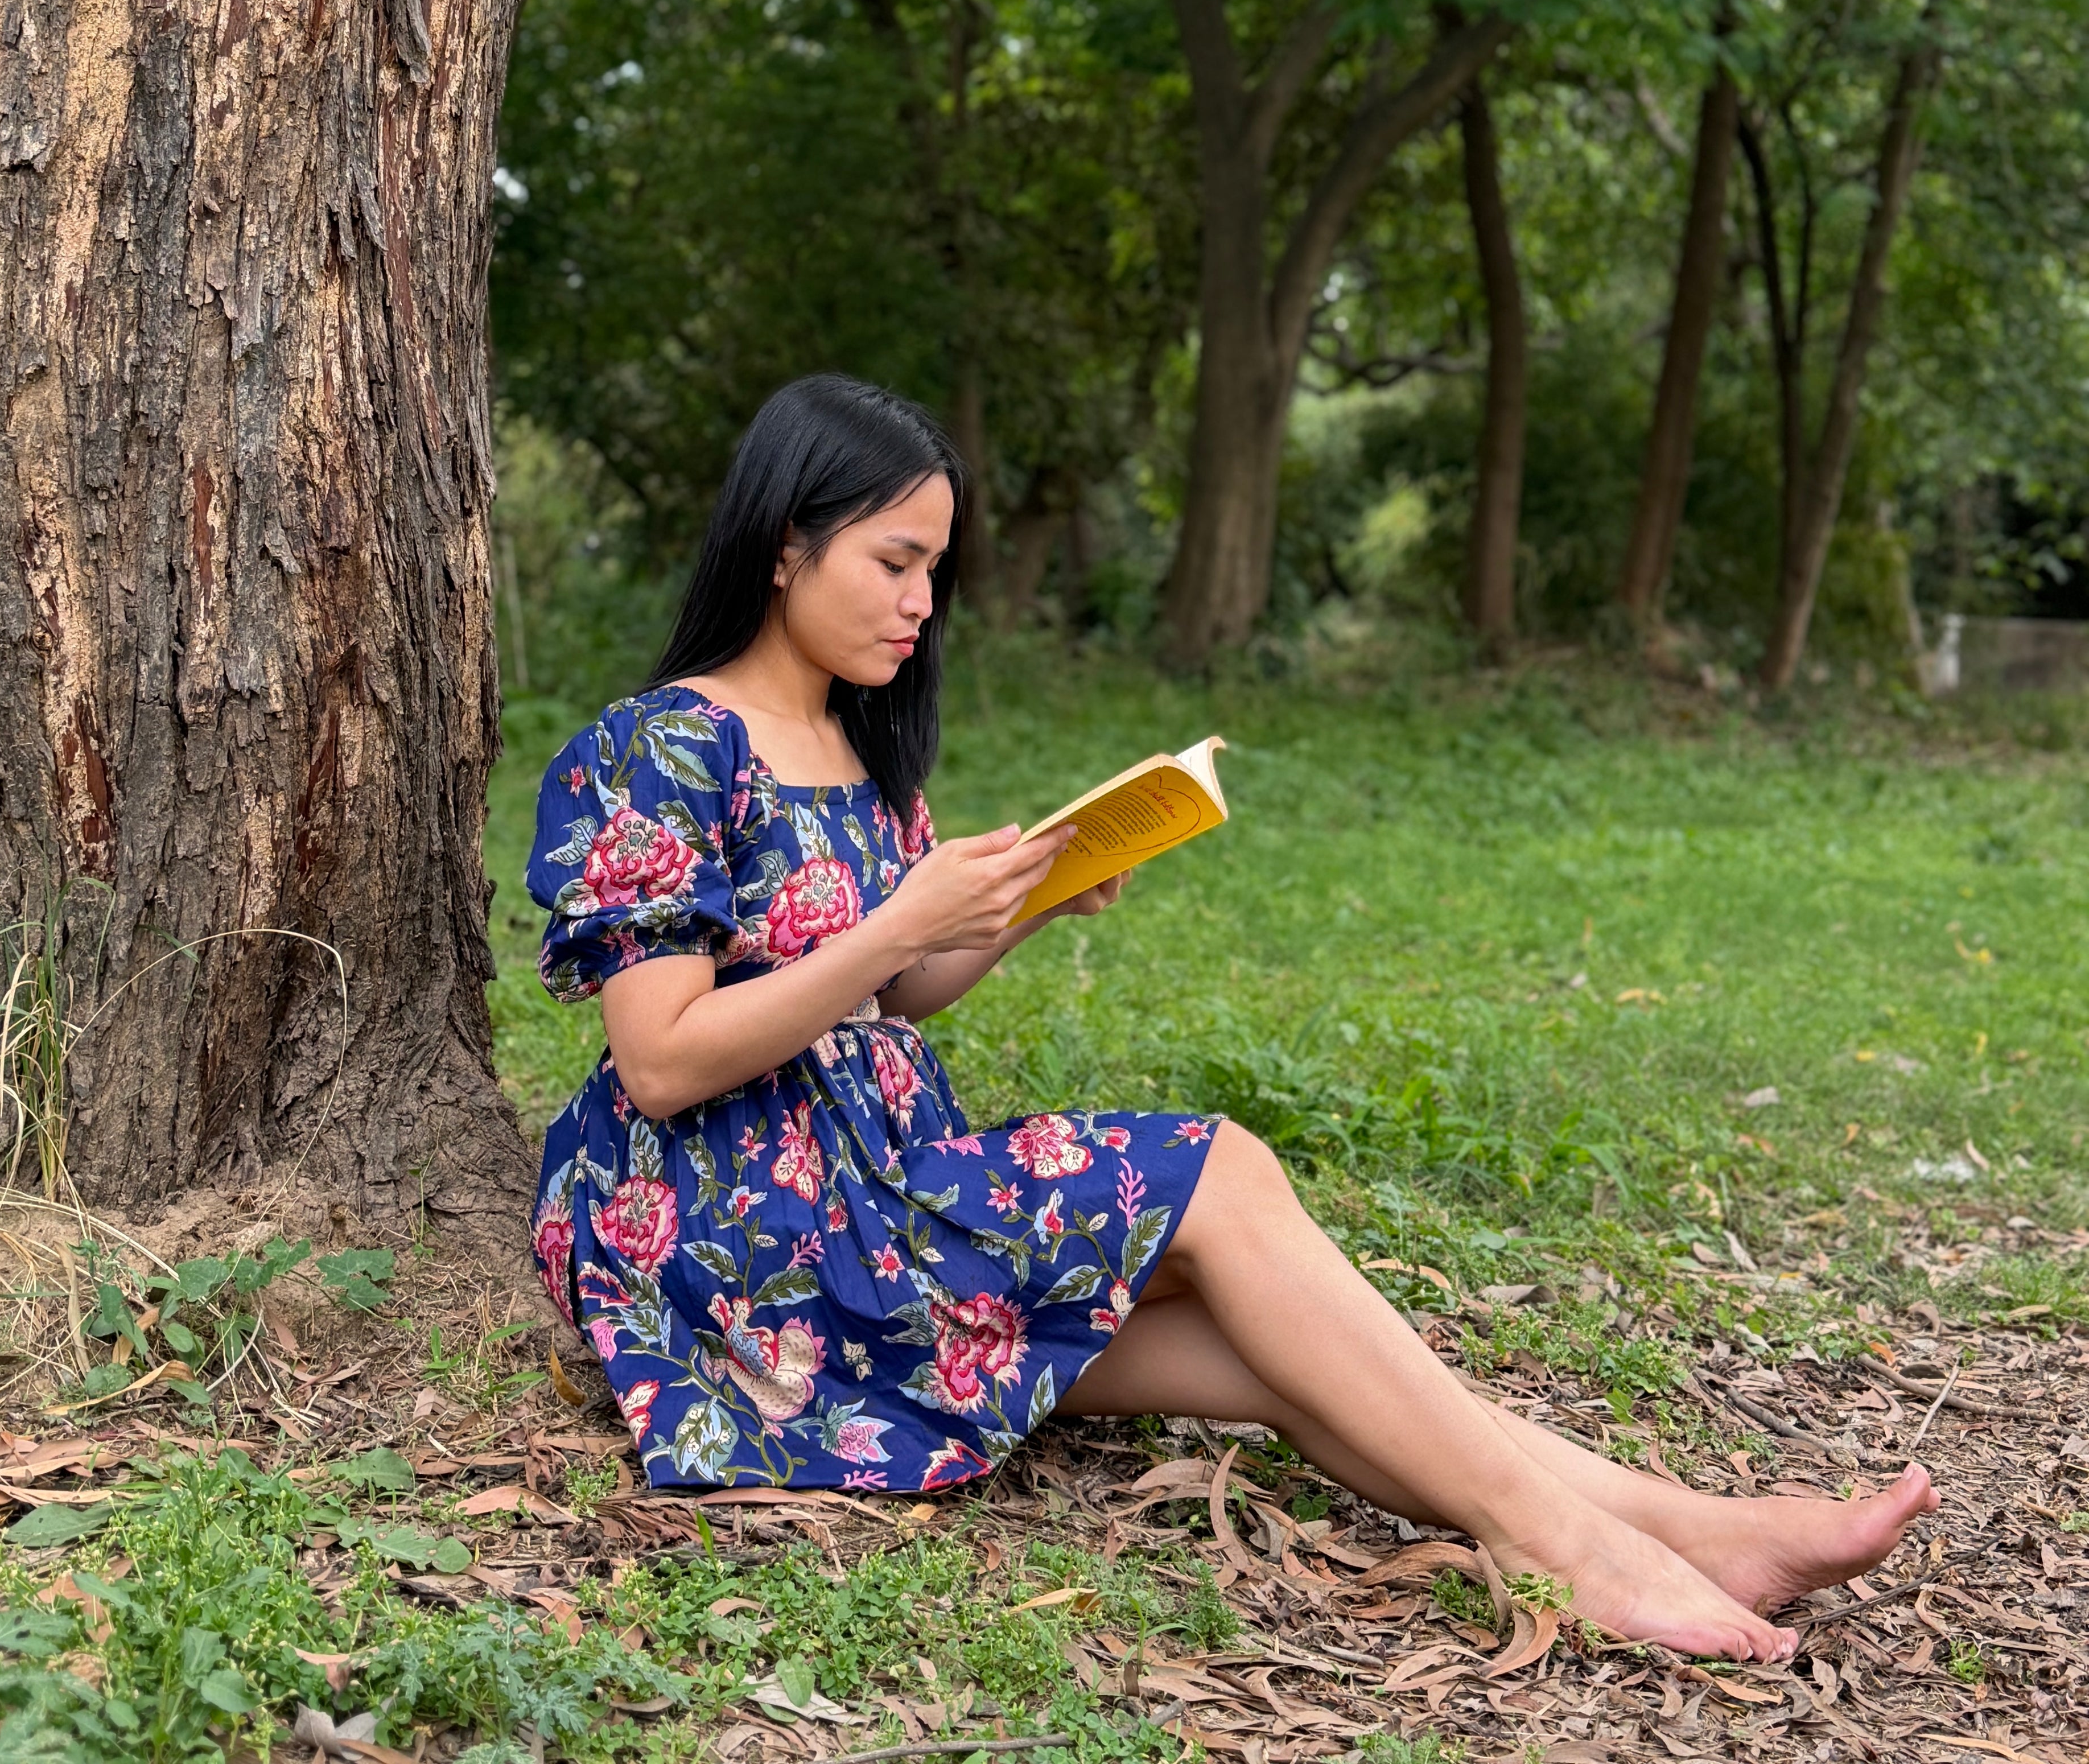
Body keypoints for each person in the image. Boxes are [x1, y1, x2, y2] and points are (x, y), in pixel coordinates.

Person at [528, 373, 1935, 1661]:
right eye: (894, 562)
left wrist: (1017, 905)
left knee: (1277, 1356)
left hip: (879, 1208)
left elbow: (893, 998)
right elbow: (661, 1061)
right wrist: (901, 920)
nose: (921, 603)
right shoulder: (659, 746)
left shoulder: (855, 740)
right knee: (1221, 1165)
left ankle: (1689, 1528)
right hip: (750, 1248)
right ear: (784, 542)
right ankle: (1571, 1553)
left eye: (936, 572)